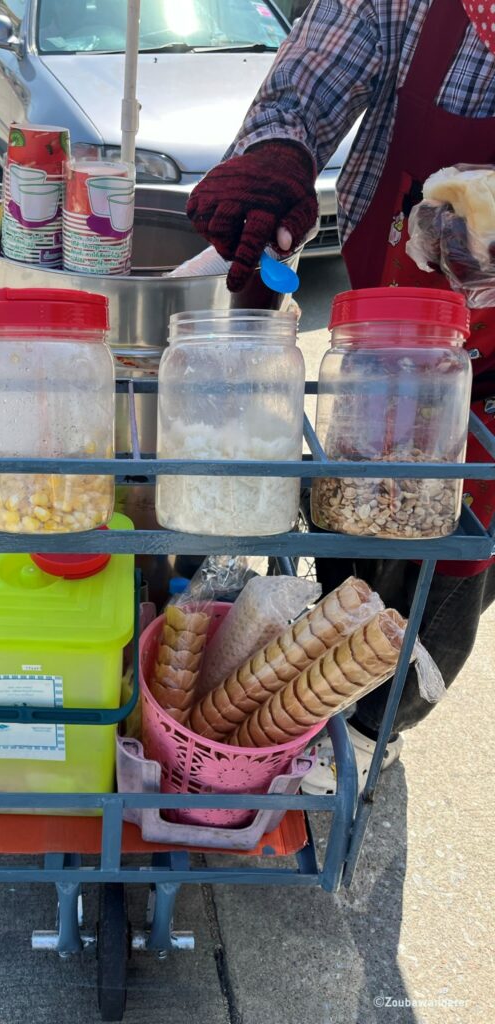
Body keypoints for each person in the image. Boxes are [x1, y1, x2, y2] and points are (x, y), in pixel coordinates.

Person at [186, 0, 495, 793]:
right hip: (385, 336)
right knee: (348, 524)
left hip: (486, 387)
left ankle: (368, 733)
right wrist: (279, 152)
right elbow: (310, 79)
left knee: (446, 572)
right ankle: (305, 719)